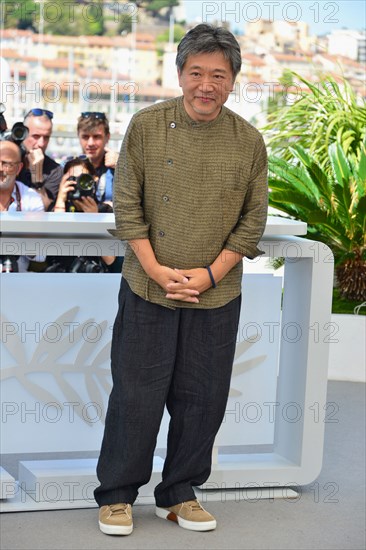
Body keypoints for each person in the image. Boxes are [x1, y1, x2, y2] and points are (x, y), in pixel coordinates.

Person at [94, 24, 268, 536]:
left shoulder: (248, 140)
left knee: (203, 398)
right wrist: (156, 270)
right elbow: (127, 208)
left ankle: (180, 493)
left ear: (233, 80)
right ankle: (117, 496)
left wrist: (210, 273)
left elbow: (251, 221)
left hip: (217, 292)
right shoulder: (146, 125)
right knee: (135, 394)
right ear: (180, 74)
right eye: (197, 73)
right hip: (149, 286)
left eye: (218, 74)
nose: (206, 84)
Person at [46, 156, 122, 273]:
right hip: (62, 275)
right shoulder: (58, 210)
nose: (78, 184)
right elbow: (52, 250)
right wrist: (60, 200)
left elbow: (110, 260)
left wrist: (95, 220)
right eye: (73, 179)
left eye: (84, 179)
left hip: (95, 275)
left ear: (94, 180)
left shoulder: (105, 211)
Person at [0, 141, 44, 271]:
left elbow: (40, 255)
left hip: (17, 281)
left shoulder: (31, 199)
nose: (1, 169)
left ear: (19, 169)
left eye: (7, 164)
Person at [18, 108, 63, 209]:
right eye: (36, 136)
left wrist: (37, 176)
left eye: (46, 137)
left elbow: (43, 208)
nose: (41, 144)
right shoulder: (8, 159)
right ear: (23, 133)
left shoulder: (55, 170)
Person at [77, 112, 118, 203]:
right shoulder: (68, 167)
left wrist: (122, 166)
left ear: (107, 137)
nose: (90, 143)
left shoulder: (117, 165)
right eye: (85, 137)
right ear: (78, 137)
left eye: (96, 137)